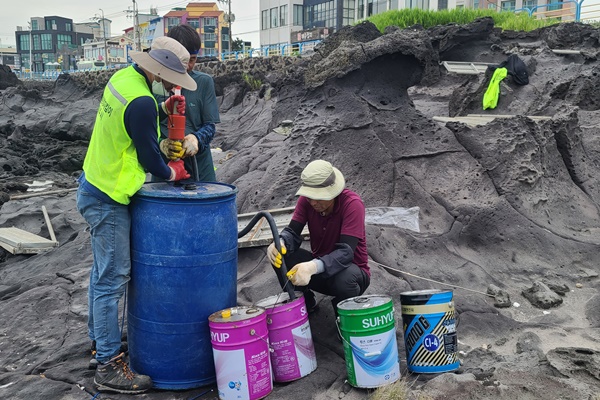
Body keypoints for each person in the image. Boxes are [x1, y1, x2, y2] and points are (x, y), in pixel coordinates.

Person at [76, 36, 196, 394]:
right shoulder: (142, 101)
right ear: (161, 69)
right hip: (110, 196)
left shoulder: (123, 80)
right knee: (114, 278)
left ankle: (100, 341)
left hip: (92, 182)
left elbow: (135, 123)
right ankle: (109, 365)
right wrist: (174, 172)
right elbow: (151, 161)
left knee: (102, 275)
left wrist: (163, 111)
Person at [267, 160, 370, 314]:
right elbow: (293, 232)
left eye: (319, 197)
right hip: (320, 271)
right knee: (281, 257)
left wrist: (312, 267)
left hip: (350, 273)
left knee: (345, 279)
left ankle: (345, 318)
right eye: (310, 197)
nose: (313, 202)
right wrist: (280, 242)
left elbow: (346, 253)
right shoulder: (306, 201)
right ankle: (304, 305)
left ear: (333, 192)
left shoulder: (352, 204)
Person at [154, 24, 221, 182]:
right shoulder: (155, 85)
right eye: (185, 61)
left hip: (200, 170)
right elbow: (145, 127)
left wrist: (196, 139)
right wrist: (162, 144)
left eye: (193, 60)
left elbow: (210, 126)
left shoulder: (204, 82)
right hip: (164, 169)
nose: (189, 66)